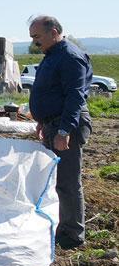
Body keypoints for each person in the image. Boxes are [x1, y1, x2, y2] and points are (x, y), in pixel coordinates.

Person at [28, 15, 93, 250]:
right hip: (53, 124)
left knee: (67, 181)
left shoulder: (69, 57)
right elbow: (51, 93)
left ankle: (73, 235)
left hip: (67, 126)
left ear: (53, 32)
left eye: (37, 37)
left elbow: (75, 97)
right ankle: (62, 226)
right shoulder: (53, 55)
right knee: (56, 180)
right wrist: (43, 121)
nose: (35, 42)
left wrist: (64, 130)